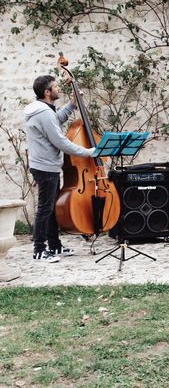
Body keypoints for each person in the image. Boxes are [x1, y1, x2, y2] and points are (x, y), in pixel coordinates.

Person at [24, 75, 95, 263]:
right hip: (45, 167)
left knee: (51, 208)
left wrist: (72, 104)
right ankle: (39, 250)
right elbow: (61, 142)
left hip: (47, 165)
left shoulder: (43, 110)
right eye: (55, 87)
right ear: (47, 92)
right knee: (45, 209)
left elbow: (56, 120)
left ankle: (54, 247)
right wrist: (89, 152)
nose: (59, 89)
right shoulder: (43, 113)